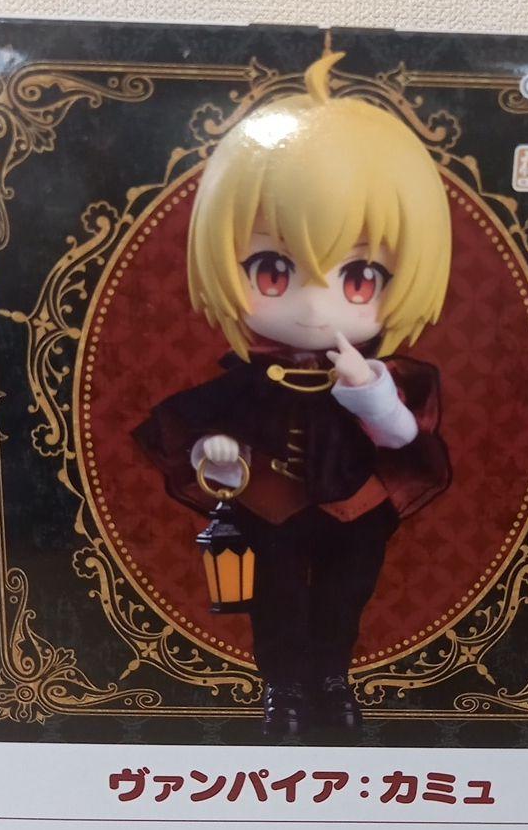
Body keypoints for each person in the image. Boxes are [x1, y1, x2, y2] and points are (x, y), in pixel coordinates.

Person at [134, 49, 452, 739]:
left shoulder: (387, 377)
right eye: (273, 270)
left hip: (356, 502)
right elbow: (208, 446)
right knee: (273, 595)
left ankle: (331, 678)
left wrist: (367, 391)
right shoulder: (243, 383)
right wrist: (220, 458)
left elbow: (403, 438)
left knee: (345, 592)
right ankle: (282, 685)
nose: (314, 305)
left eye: (359, 278)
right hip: (271, 504)